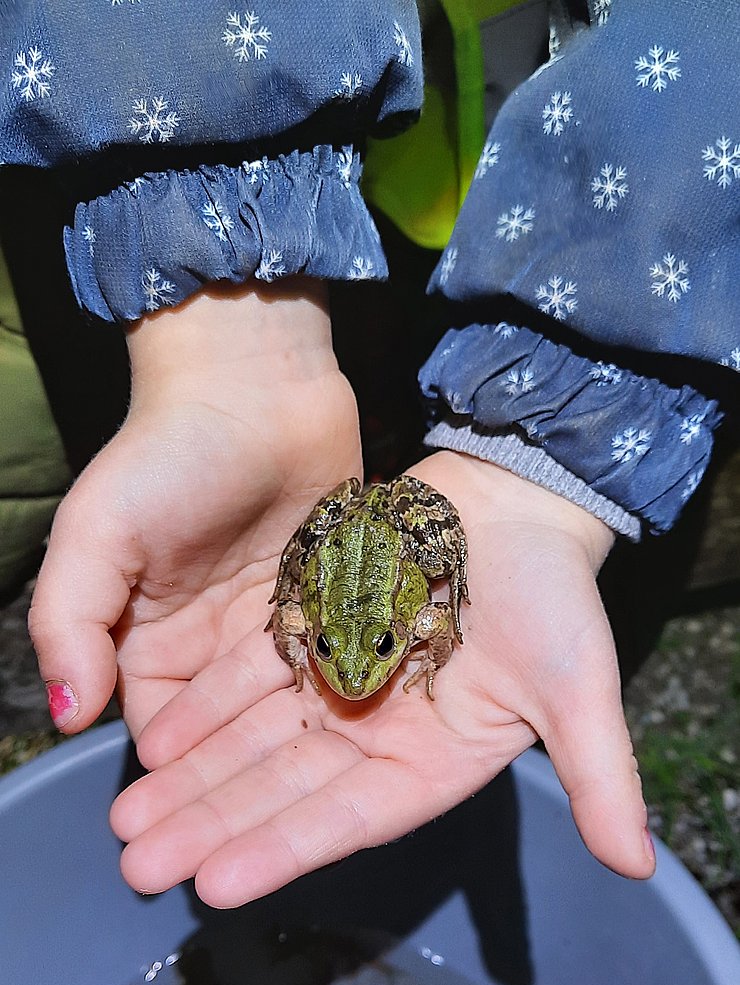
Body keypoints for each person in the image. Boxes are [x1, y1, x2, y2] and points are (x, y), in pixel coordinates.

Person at [2, 0, 734, 908]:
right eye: (341, 653)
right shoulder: (336, 631)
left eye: (378, 650)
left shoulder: (395, 624)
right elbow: (309, 606)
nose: (354, 677)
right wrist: (227, 349)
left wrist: (542, 479)